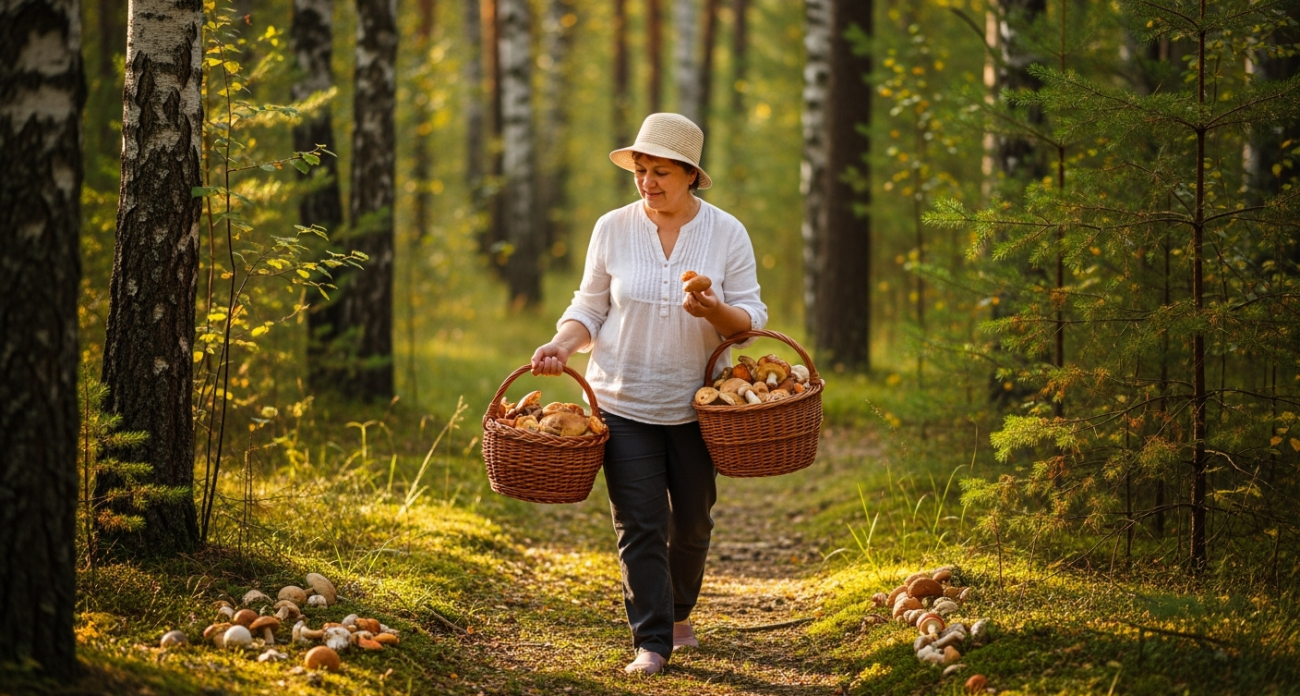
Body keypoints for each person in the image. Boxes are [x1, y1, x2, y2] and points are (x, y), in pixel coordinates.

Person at [530, 113, 767, 675]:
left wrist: (714, 309)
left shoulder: (727, 232)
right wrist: (562, 344)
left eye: (661, 171)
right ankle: (653, 641)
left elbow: (749, 319)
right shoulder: (611, 228)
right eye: (641, 170)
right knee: (639, 523)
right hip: (622, 400)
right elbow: (589, 307)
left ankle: (679, 609)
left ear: (690, 175)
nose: (647, 182)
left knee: (692, 524)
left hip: (698, 407)